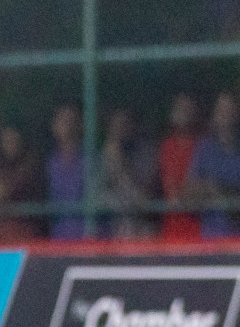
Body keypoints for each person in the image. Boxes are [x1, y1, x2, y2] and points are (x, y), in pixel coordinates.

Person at [185, 92, 240, 240]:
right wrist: (208, 188)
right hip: (212, 238)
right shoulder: (204, 149)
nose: (225, 115)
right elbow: (189, 190)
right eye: (221, 110)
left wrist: (220, 190)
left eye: (229, 110)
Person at [97, 107, 156, 240]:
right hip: (114, 232)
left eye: (125, 124)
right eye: (116, 125)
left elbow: (142, 200)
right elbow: (98, 198)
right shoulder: (103, 156)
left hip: (142, 230)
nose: (120, 130)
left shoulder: (145, 153)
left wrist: (120, 162)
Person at [158, 93, 202, 241]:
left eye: (187, 108)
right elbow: (171, 191)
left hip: (199, 229)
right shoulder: (167, 146)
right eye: (179, 108)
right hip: (173, 227)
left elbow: (202, 188)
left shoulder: (203, 146)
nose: (183, 112)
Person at [46, 104, 88, 241]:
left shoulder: (92, 160)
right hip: (58, 238)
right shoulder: (49, 162)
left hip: (88, 238)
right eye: (62, 120)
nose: (67, 125)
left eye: (71, 120)